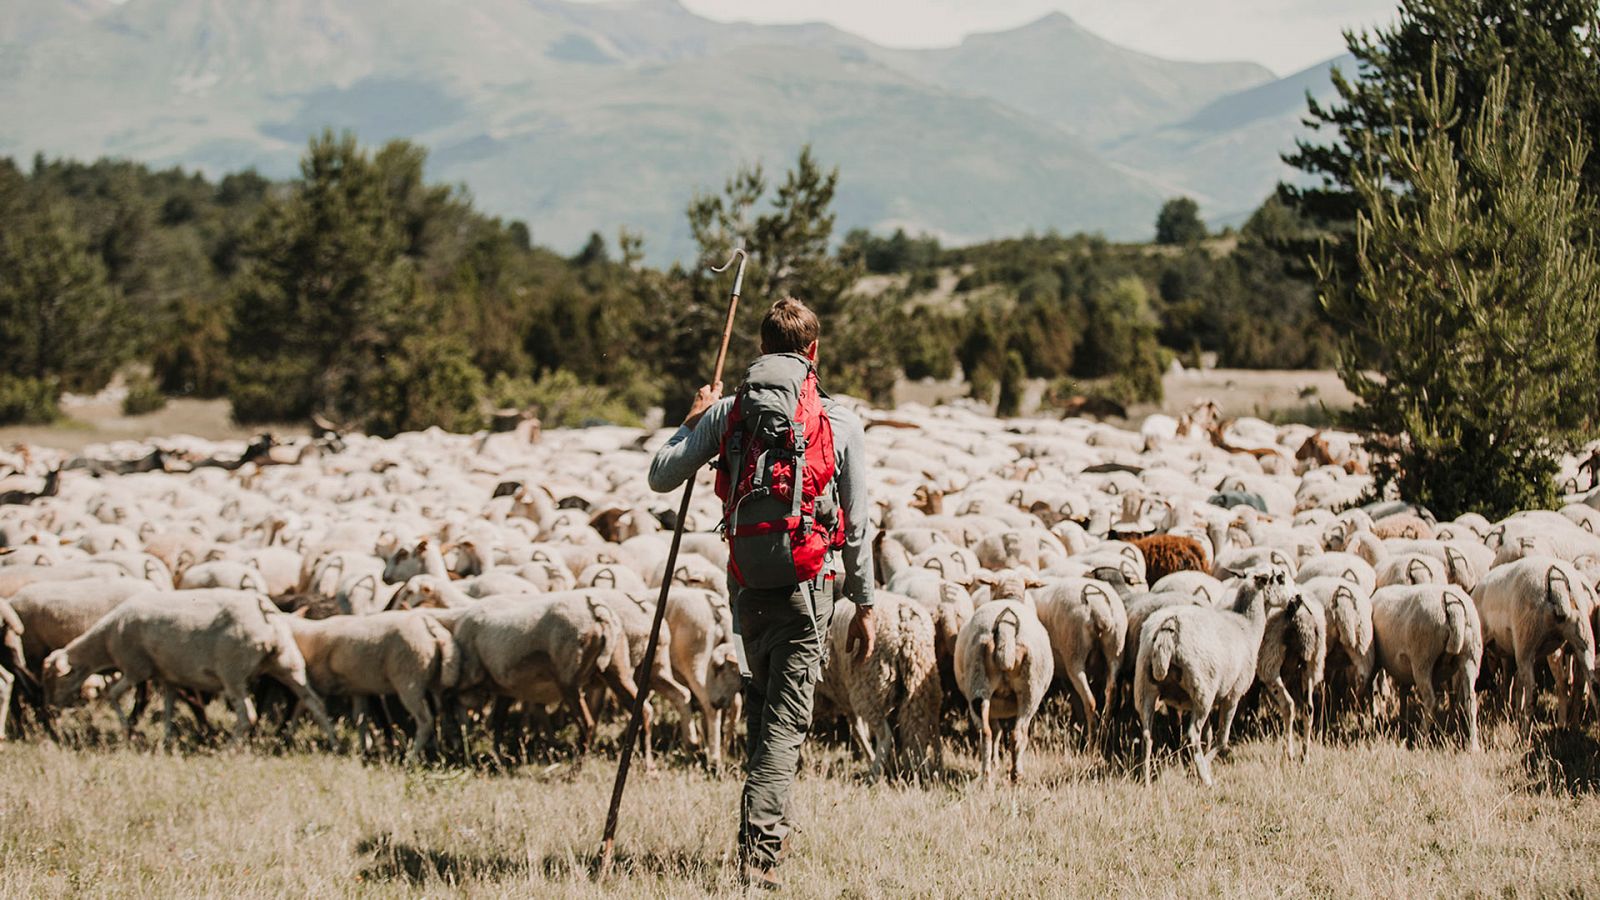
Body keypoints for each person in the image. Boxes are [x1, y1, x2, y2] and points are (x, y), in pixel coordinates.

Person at [648, 296, 875, 889]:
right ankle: (760, 860)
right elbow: (856, 523)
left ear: (761, 349)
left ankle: (763, 833)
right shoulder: (839, 421)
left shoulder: (729, 413)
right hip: (809, 591)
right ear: (814, 351)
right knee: (783, 727)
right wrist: (868, 604)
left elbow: (661, 474)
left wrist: (693, 418)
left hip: (745, 593)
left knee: (761, 711)